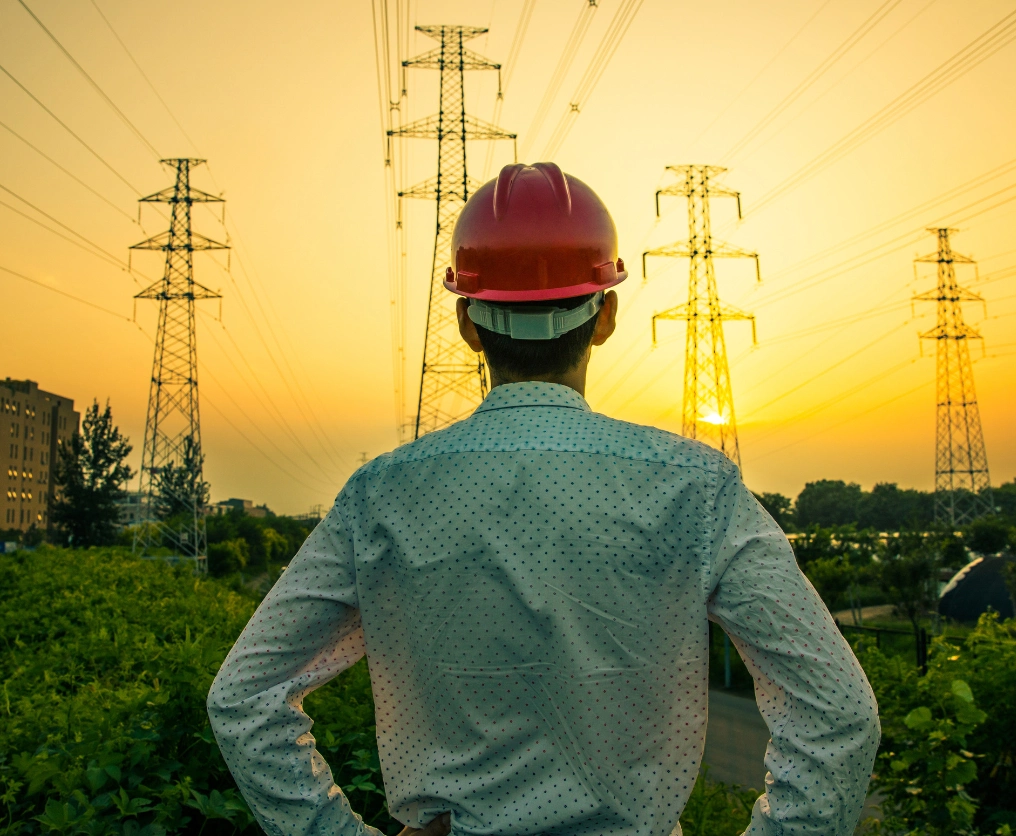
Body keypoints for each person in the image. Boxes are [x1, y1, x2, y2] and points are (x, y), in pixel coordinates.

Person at [207, 163, 880, 836]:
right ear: (606, 314)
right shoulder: (696, 489)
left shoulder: (378, 496)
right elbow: (839, 711)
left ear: (469, 322)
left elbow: (243, 699)